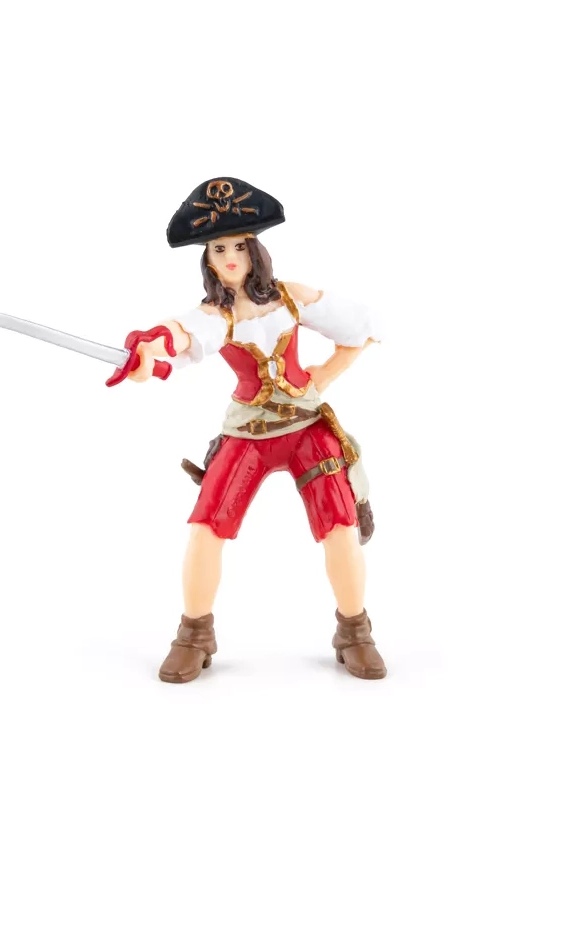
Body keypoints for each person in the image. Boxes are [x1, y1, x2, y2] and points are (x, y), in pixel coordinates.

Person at [120, 177, 386, 684]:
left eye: (238, 246)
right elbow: (179, 335)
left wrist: (323, 377)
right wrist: (149, 351)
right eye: (218, 249)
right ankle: (194, 635)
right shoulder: (215, 316)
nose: (230, 258)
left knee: (340, 526)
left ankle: (355, 631)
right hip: (247, 434)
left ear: (254, 249)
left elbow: (362, 328)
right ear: (208, 258)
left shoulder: (292, 299)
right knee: (206, 527)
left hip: (306, 426)